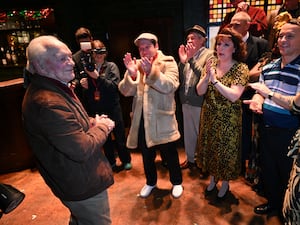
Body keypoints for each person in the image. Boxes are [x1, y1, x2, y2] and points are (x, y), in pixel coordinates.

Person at [22, 35, 115, 225]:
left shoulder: (54, 86)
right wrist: (103, 127)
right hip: (80, 183)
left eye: (69, 57)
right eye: (62, 59)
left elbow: (69, 121)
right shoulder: (47, 102)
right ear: (41, 66)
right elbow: (80, 149)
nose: (71, 63)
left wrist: (91, 122)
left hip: (75, 178)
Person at [243, 17, 300, 221]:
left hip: (292, 134)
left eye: (290, 36)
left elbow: (297, 104)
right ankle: (274, 204)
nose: (283, 40)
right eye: (280, 36)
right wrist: (257, 101)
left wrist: (267, 94)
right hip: (266, 128)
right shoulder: (269, 67)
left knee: (289, 177)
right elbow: (260, 91)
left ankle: (289, 213)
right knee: (270, 171)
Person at [118, 32, 183, 198]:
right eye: (141, 48)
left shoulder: (168, 62)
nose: (144, 51)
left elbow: (171, 85)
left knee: (169, 154)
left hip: (162, 118)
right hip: (142, 119)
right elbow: (126, 91)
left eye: (148, 46)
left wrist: (152, 72)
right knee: (147, 155)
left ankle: (176, 182)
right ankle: (150, 182)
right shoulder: (137, 65)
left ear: (156, 46)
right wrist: (132, 74)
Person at [196, 28, 249, 200]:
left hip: (229, 119)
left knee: (226, 150)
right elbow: (199, 91)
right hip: (210, 114)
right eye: (219, 43)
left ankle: (225, 181)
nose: (221, 48)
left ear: (235, 48)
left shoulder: (241, 68)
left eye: (226, 44)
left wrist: (215, 81)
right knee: (211, 148)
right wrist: (207, 77)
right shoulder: (211, 62)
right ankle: (213, 177)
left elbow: (234, 96)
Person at [229, 11, 270, 182]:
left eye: (236, 24)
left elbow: (264, 68)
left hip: (252, 96)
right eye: (231, 24)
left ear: (248, 25)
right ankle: (236, 164)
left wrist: (242, 81)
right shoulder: (229, 44)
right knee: (234, 131)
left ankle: (249, 167)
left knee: (249, 132)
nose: (232, 28)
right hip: (231, 95)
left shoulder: (261, 44)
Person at [80, 39, 132, 170]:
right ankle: (111, 161)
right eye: (96, 52)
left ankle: (125, 159)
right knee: (104, 137)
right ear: (91, 54)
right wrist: (84, 84)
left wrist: (98, 77)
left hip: (112, 106)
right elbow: (87, 92)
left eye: (102, 52)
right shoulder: (88, 68)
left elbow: (114, 87)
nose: (99, 55)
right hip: (97, 107)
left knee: (120, 136)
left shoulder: (111, 66)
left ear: (106, 53)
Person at [177, 25, 214, 171]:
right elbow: (182, 77)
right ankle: (190, 159)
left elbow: (205, 76)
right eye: (188, 39)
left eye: (193, 38)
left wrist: (190, 60)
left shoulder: (210, 55)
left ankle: (204, 163)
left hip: (200, 102)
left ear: (202, 40)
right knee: (189, 133)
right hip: (185, 100)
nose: (189, 41)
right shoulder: (188, 54)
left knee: (202, 134)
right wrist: (182, 61)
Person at [72, 27, 94, 106]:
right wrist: (78, 82)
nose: (86, 46)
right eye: (82, 43)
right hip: (85, 96)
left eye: (87, 42)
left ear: (91, 39)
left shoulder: (98, 52)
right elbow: (75, 77)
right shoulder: (75, 58)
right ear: (78, 43)